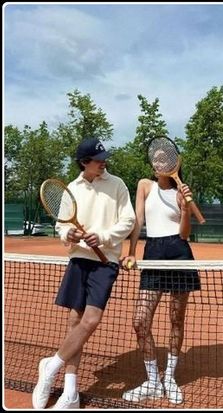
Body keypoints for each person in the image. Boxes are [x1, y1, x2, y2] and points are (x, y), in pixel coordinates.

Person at [32, 138, 135, 410]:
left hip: (106, 261)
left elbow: (128, 220)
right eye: (98, 158)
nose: (104, 161)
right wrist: (72, 234)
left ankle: (50, 367)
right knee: (75, 321)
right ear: (83, 163)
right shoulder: (72, 189)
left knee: (91, 320)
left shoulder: (118, 184)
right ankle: (71, 392)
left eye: (104, 157)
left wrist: (101, 236)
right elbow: (61, 227)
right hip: (79, 259)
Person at [122, 168, 201, 405]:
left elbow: (185, 234)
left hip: (179, 254)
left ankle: (170, 378)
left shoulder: (181, 192)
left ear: (173, 163)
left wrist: (186, 207)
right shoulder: (144, 185)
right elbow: (138, 219)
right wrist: (133, 252)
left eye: (164, 159)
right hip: (153, 253)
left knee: (176, 319)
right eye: (155, 158)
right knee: (140, 320)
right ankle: (153, 381)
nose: (158, 162)